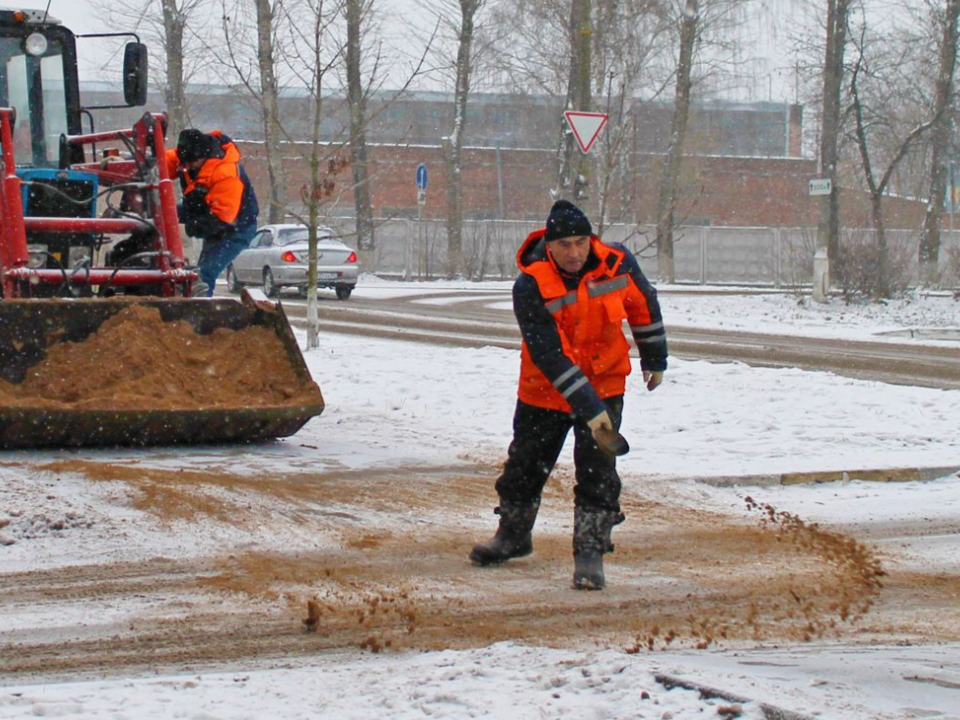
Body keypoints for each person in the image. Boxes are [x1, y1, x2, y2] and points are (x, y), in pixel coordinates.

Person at [469, 199, 668, 590]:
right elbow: (548, 353)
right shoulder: (531, 284)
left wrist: (655, 358)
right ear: (549, 245)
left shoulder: (617, 264)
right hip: (544, 390)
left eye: (580, 242)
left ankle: (591, 551)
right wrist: (588, 408)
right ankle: (513, 535)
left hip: (606, 381)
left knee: (597, 472)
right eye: (565, 245)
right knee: (525, 467)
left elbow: (644, 307)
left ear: (590, 239)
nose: (575, 252)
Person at [166, 128, 259, 296]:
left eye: (191, 162)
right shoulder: (190, 156)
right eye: (184, 162)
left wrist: (187, 229)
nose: (186, 167)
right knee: (164, 212)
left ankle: (197, 313)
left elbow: (221, 218)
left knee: (204, 273)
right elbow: (161, 163)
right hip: (203, 212)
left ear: (204, 156)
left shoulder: (225, 174)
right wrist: (132, 165)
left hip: (233, 229)